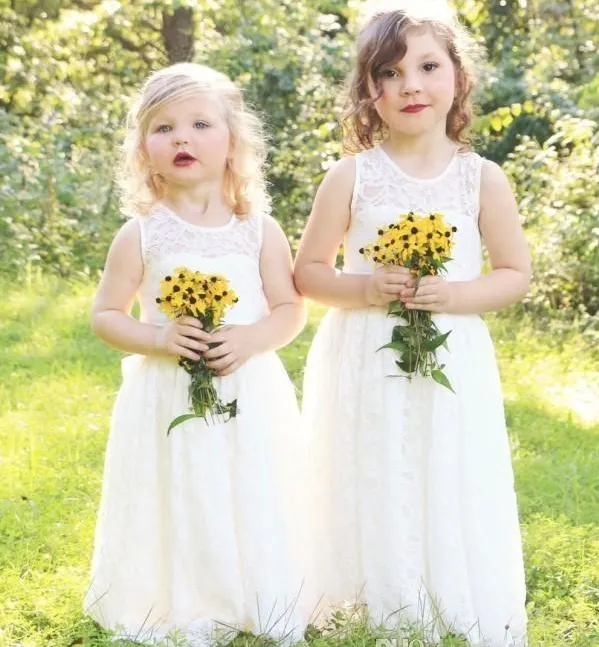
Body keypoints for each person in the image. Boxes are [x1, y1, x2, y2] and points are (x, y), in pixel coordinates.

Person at [294, 3, 531, 645]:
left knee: (441, 458)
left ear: (457, 76)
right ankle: (368, 589)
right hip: (365, 348)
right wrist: (366, 286)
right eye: (390, 74)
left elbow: (514, 272)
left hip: (452, 350)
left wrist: (455, 295)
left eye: (428, 67)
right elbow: (309, 272)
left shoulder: (482, 178)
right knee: (369, 459)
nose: (411, 86)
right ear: (370, 91)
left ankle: (441, 580)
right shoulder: (351, 176)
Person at [84, 62, 310, 646]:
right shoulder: (141, 234)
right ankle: (186, 595)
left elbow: (290, 310)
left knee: (249, 486)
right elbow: (105, 315)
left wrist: (251, 338)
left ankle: (253, 588)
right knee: (180, 488)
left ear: (233, 143)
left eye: (199, 124)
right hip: (166, 396)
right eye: (163, 129)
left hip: (248, 388)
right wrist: (158, 337)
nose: (181, 138)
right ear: (143, 151)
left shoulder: (259, 230)